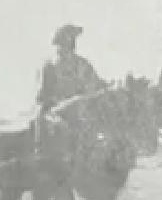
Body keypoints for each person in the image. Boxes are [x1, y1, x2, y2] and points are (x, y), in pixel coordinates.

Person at [35, 24, 108, 157]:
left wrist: (105, 87)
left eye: (70, 41)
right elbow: (41, 97)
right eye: (63, 42)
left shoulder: (82, 64)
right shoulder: (49, 65)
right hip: (56, 111)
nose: (66, 46)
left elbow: (95, 84)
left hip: (80, 113)